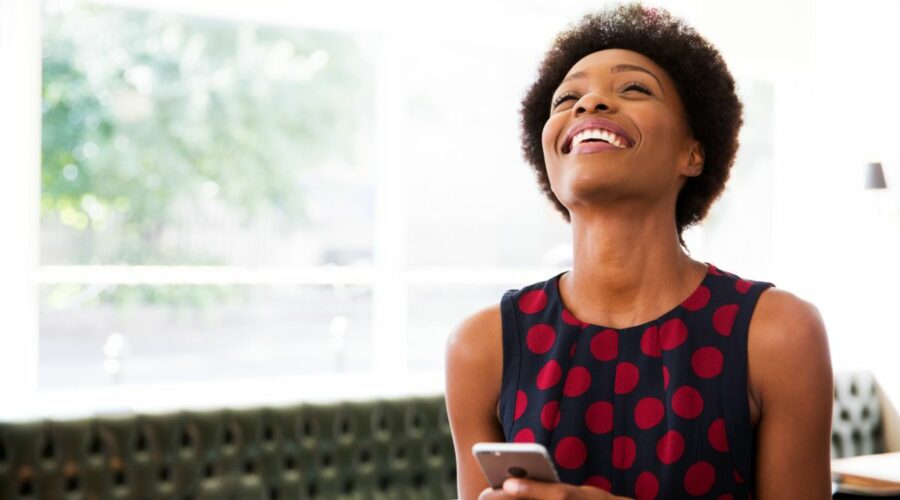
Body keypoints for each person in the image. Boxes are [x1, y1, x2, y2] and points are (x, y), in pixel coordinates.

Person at [444, 2, 833, 499]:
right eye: (567, 98)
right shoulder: (483, 346)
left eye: (633, 88)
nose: (589, 105)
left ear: (693, 153)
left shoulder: (778, 334)